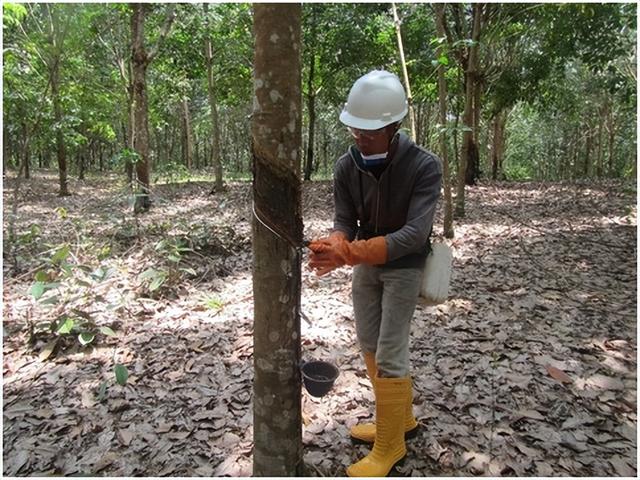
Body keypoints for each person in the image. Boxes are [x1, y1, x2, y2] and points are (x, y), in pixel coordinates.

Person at [308, 70, 442, 477]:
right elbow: (344, 217)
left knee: (389, 350)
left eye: (369, 130)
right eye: (355, 129)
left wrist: (350, 253)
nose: (359, 137)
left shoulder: (424, 166)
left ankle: (390, 447)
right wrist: (336, 243)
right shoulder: (347, 166)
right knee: (368, 342)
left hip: (404, 266)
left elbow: (415, 234)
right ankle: (400, 420)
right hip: (365, 263)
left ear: (393, 126)